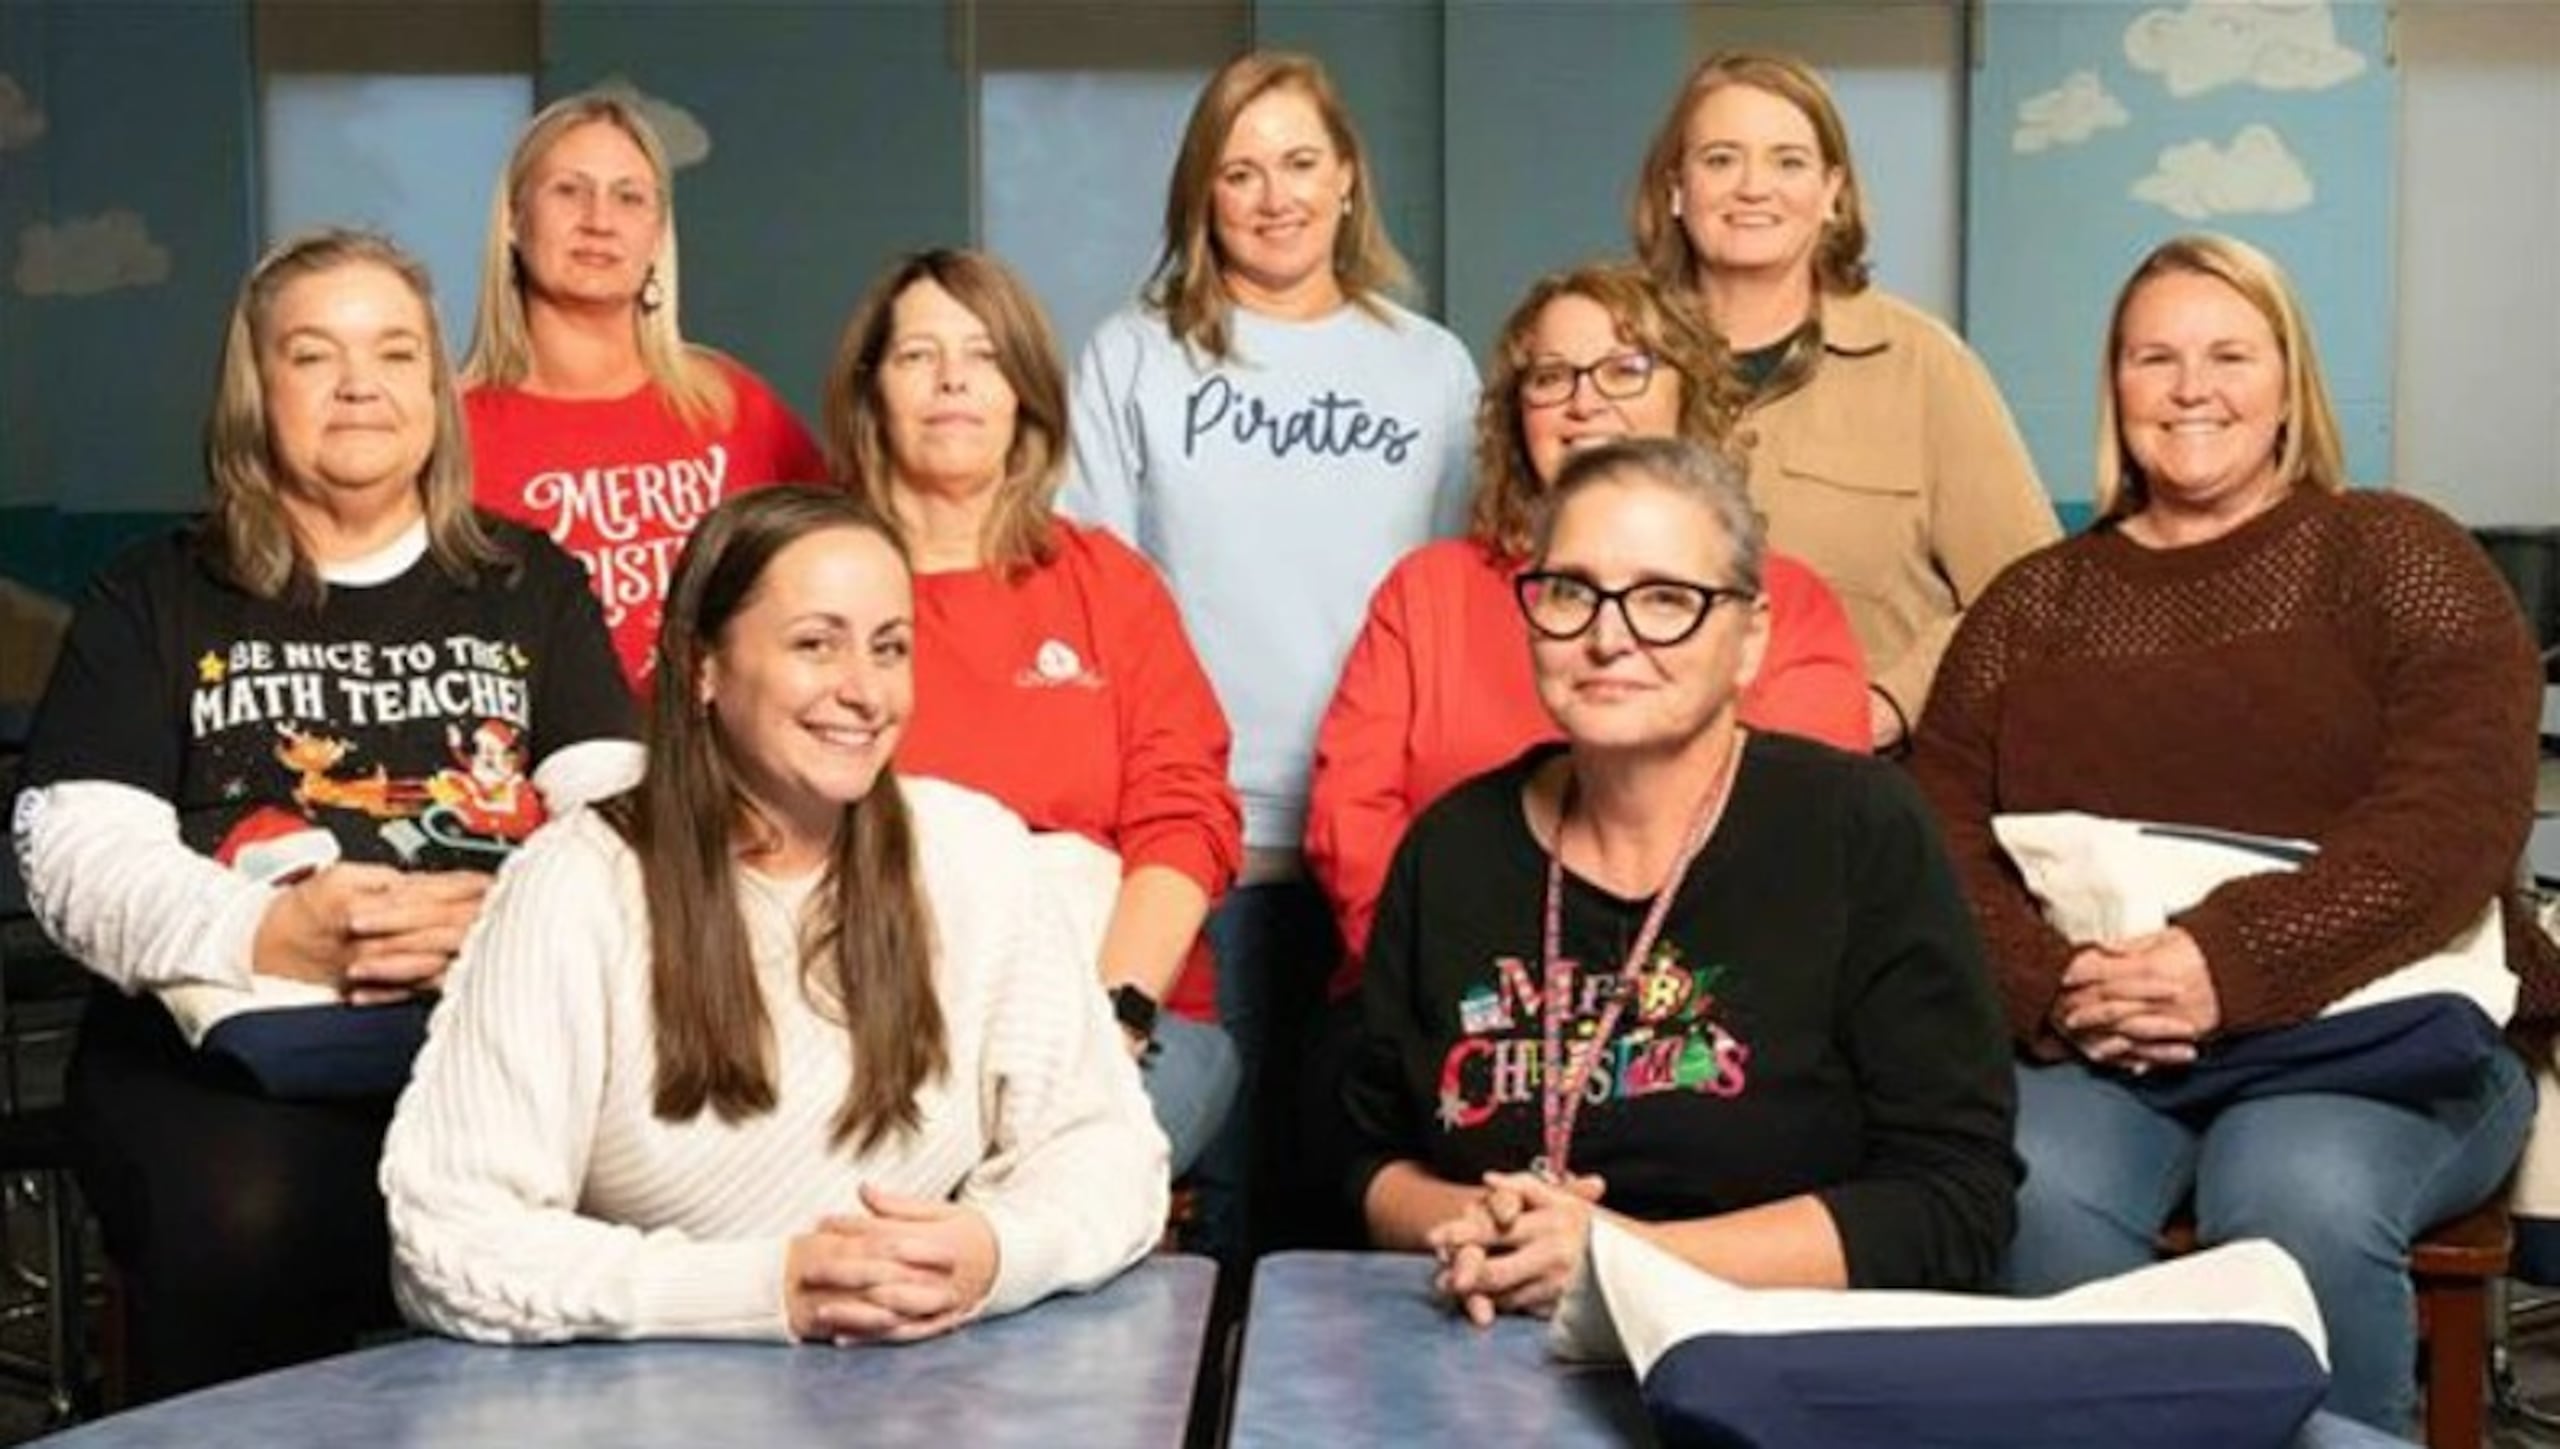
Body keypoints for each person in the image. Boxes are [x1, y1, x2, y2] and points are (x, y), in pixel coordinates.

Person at [1909, 233, 2546, 1433]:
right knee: (2024, 1185)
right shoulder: (2030, 604)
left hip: (2372, 1038)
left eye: (2228, 354)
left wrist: (2223, 964)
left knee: (2294, 1187)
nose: (2190, 386)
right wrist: (2058, 990)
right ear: (2116, 388)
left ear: (2288, 381)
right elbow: (1936, 831)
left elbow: (2459, 812)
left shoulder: (2397, 554)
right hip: (2096, 1038)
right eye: (2154, 356)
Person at [11, 229, 637, 1400]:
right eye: (315, 354)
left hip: (496, 1036)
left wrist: (506, 916)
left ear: (437, 393)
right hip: (223, 1062)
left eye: (396, 352)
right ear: (256, 388)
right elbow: (78, 850)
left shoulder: (531, 582)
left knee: (657, 1180)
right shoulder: (156, 594)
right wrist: (275, 936)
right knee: (252, 1218)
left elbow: (626, 814)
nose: (361, 384)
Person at [383, 485, 1168, 1344]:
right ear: (703, 666)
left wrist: (992, 1250)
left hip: (933, 1394)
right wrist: (772, 1287)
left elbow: (1109, 1150)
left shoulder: (974, 851)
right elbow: (449, 1236)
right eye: (815, 644)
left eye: (889, 647)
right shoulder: (577, 884)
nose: (864, 690)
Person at [1346, 436, 2017, 1323]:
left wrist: (1621, 1260)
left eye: (1667, 598)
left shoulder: (1860, 829)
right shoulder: (1451, 848)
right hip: (1485, 1357)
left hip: (1780, 1361)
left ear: (1749, 639)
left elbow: (1956, 1199)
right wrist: (1491, 1225)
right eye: (1571, 592)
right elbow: (1359, 1161)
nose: (1607, 635)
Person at [1065, 49, 1478, 1251]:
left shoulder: (1431, 366)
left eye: (1300, 162)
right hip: (1205, 847)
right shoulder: (1134, 356)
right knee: (1215, 1178)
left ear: (1348, 180)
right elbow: (1096, 597)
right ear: (1202, 194)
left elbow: (1459, 602)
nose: (1274, 195)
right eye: (1239, 171)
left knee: (1367, 1172)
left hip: (1388, 845)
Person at [1307, 262, 1869, 984]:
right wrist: (1457, 972)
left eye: (1624, 368)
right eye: (1551, 377)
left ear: (1688, 393)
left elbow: (1795, 839)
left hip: (1699, 1006)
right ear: (1517, 415)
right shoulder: (1428, 592)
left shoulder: (1781, 602)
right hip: (1443, 988)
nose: (1585, 402)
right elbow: (1349, 818)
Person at [825, 249, 1243, 1178]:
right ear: (871, 392)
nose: (951, 381)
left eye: (982, 354)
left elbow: (1186, 818)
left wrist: (1111, 1018)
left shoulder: (1104, 583)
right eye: (916, 356)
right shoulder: (814, 584)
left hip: (1114, 1011)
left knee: (1066, 1177)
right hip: (874, 1019)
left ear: (1024, 391)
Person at [1631, 50, 2057, 750]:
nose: (1753, 187)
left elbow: (2031, 593)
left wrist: (1888, 702)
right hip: (1638, 777)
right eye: (1720, 159)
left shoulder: (1926, 366)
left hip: (1868, 780)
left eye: (1788, 161)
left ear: (1833, 192)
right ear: (1676, 187)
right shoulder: (1613, 364)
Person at [463, 90, 826, 689]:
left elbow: (834, 574)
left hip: (725, 764)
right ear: (512, 218)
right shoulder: (447, 426)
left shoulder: (732, 403)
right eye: (568, 191)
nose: (599, 220)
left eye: (629, 196)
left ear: (658, 233)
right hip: (546, 765)